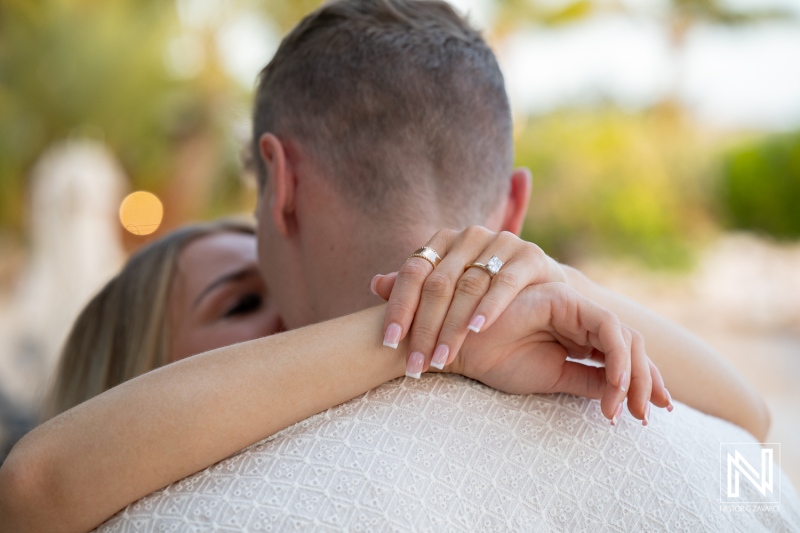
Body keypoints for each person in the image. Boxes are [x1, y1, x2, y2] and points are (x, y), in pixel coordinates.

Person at [3, 0, 796, 531]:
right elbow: (752, 424)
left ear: (282, 187)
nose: (277, 330)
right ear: (513, 206)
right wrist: (438, 328)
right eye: (236, 304)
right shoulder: (720, 471)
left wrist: (517, 300)